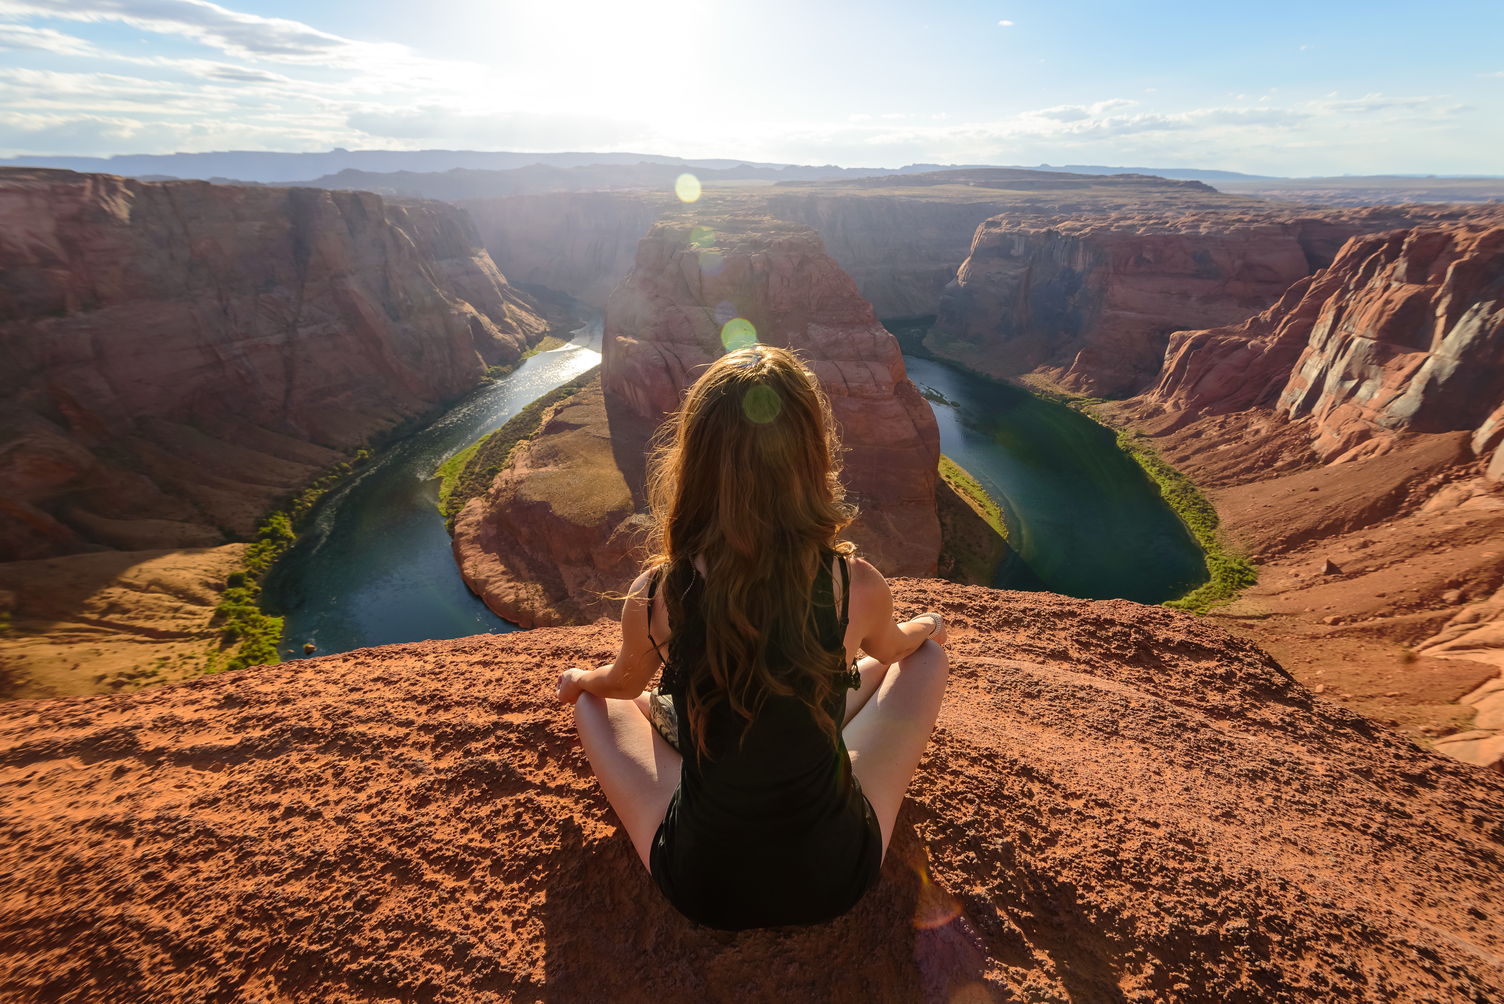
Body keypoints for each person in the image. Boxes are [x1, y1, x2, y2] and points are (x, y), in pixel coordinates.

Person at [555, 343, 949, 930]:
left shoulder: (661, 590)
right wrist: (929, 624)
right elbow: (896, 653)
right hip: (838, 875)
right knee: (927, 662)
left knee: (593, 704)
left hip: (704, 887)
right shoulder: (854, 584)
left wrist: (577, 679)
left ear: (695, 460)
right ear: (810, 454)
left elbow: (621, 684)